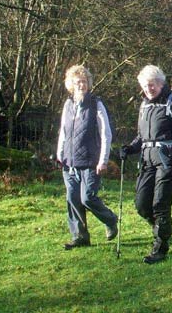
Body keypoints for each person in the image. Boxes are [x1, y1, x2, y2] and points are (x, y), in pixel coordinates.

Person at [120, 65, 172, 264]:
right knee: (142, 204)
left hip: (168, 160)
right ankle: (164, 228)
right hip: (147, 160)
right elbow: (142, 137)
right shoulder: (144, 105)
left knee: (160, 203)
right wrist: (129, 148)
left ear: (161, 84)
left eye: (152, 85)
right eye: (145, 86)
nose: (148, 89)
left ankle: (160, 247)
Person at [57, 65, 118, 250]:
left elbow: (105, 133)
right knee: (73, 199)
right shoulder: (68, 105)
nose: (81, 85)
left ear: (89, 84)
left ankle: (110, 219)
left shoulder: (96, 104)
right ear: (71, 84)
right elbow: (64, 132)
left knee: (87, 198)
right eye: (77, 82)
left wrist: (103, 160)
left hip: (91, 162)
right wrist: (60, 154)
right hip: (69, 162)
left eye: (84, 82)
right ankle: (80, 237)